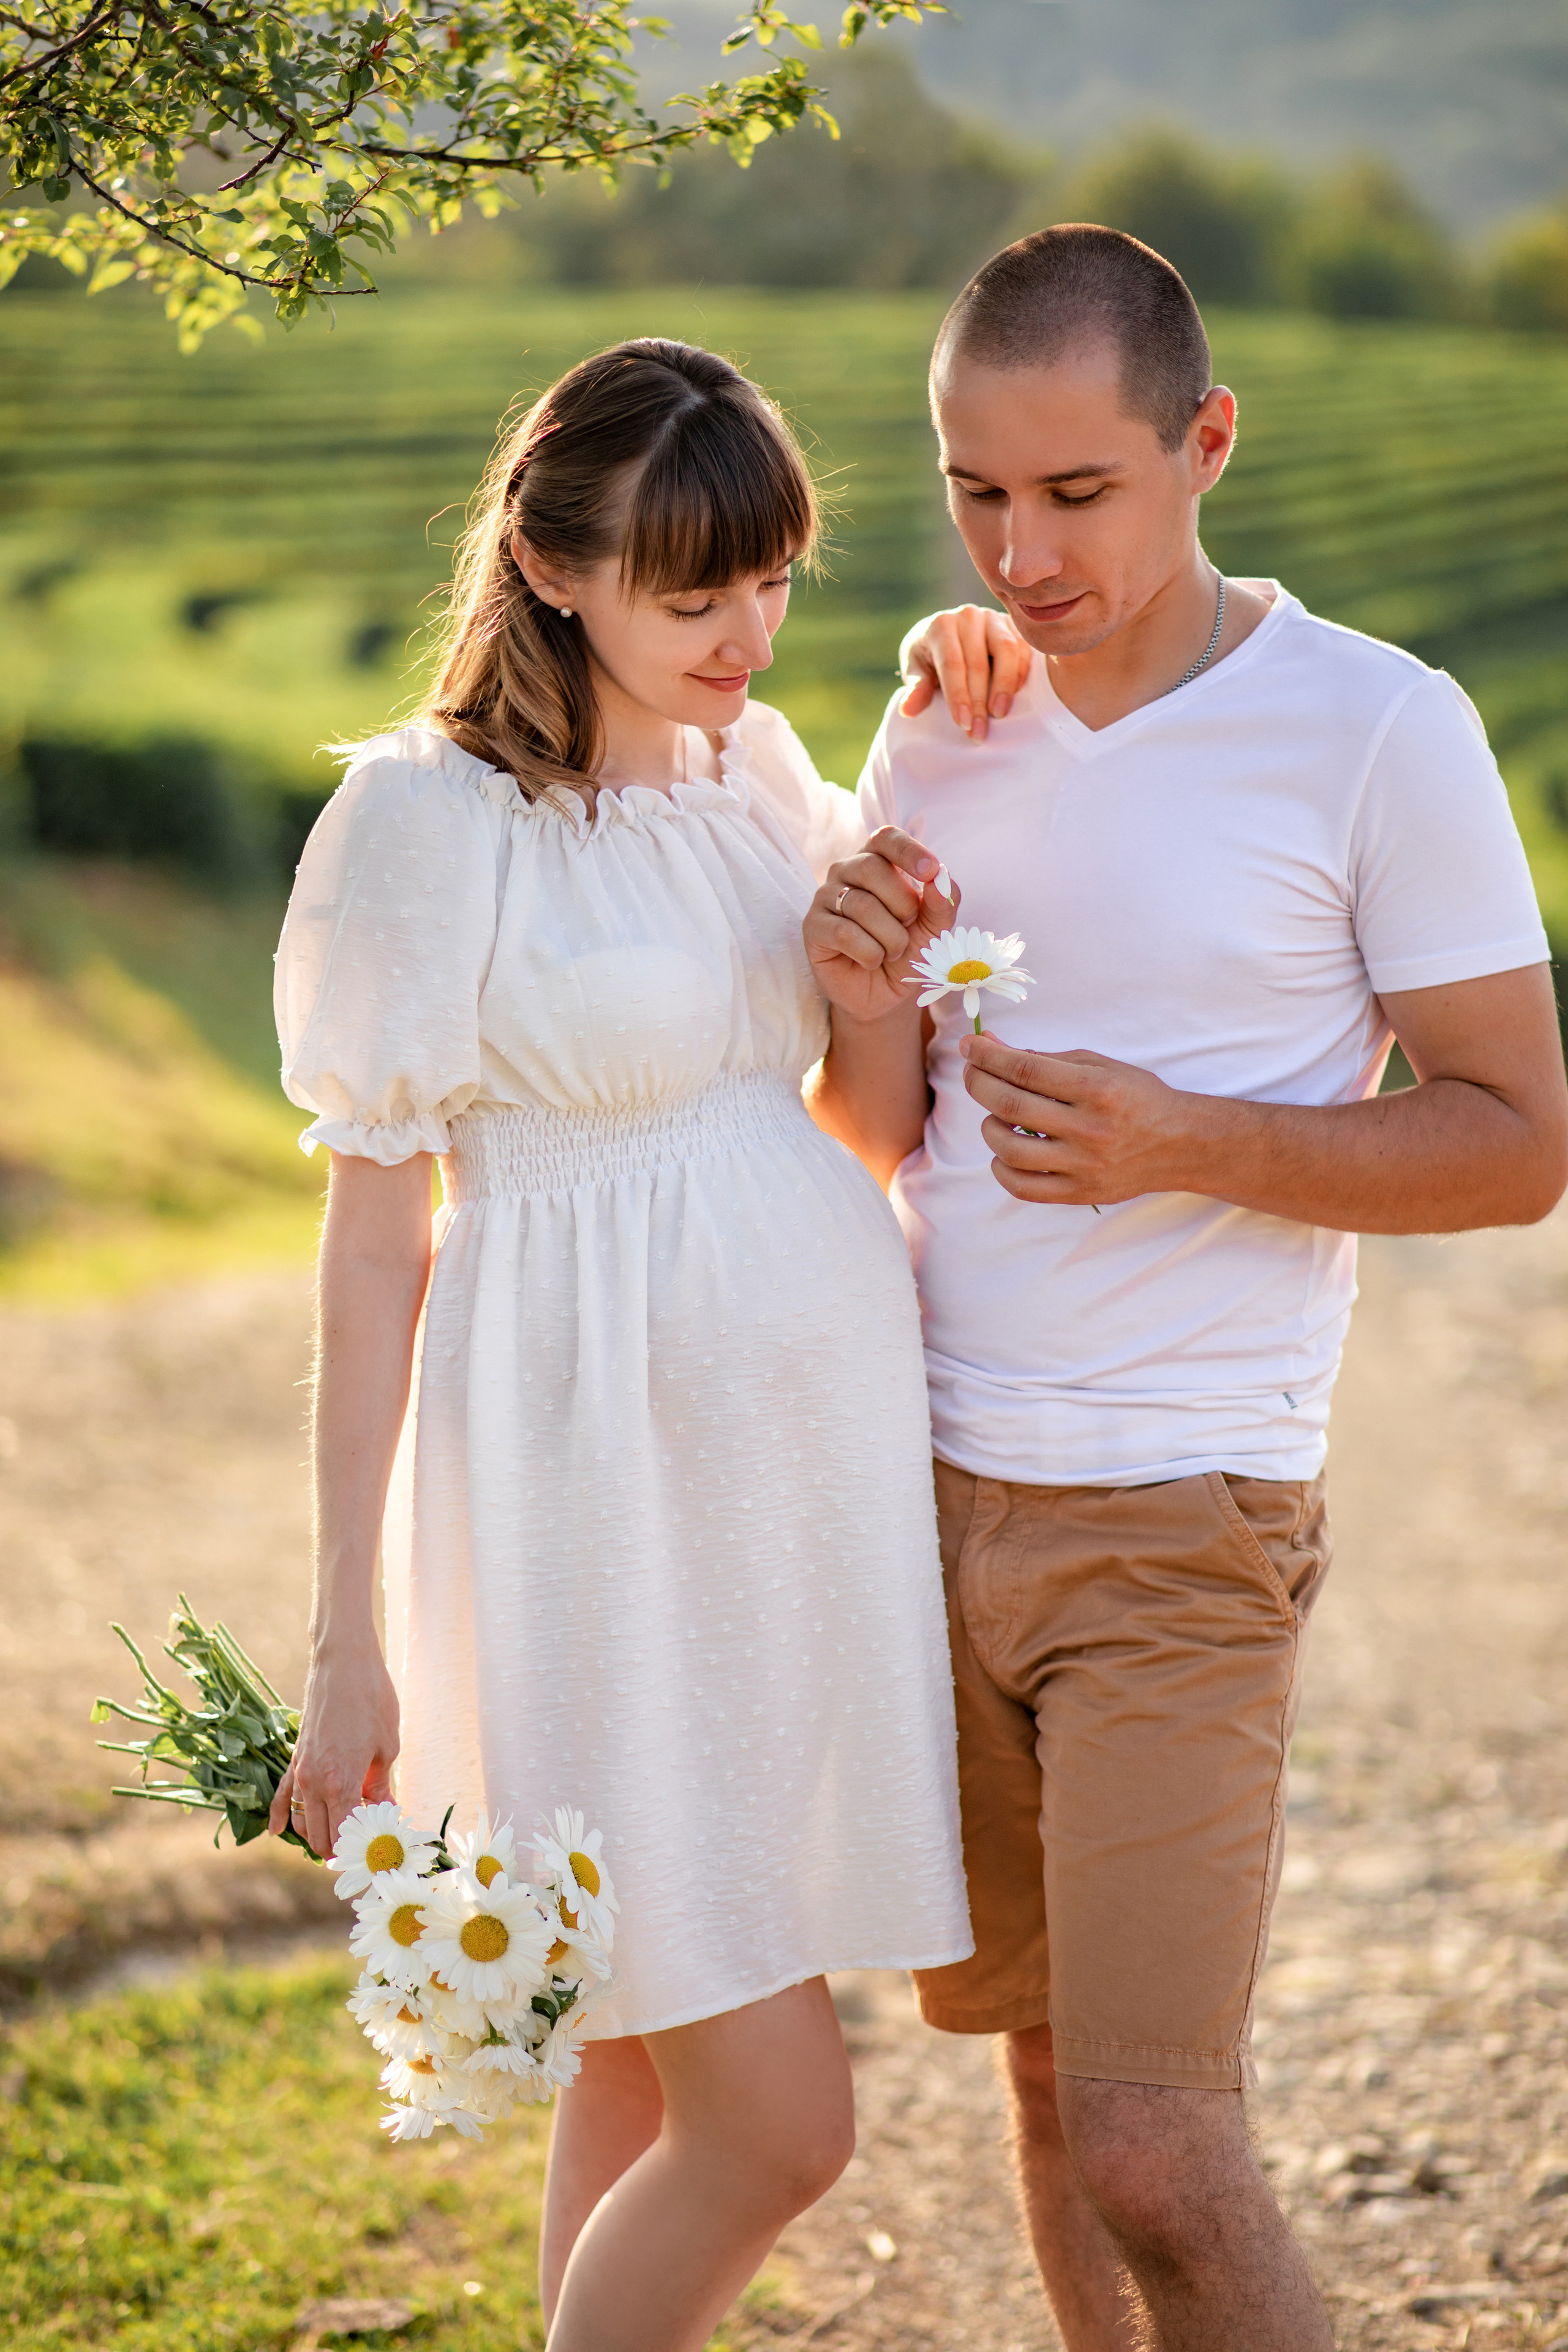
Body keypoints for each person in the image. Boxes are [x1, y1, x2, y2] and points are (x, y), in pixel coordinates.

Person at [804, 225, 1568, 2352]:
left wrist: (1192, 1142)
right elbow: (871, 1130)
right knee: (1047, 2094)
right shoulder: (935, 729)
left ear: (1205, 441)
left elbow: (1520, 1142)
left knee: (1154, 2136)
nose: (1021, 551)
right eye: (976, 492)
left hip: (1184, 1523)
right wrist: (853, 985)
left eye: (1078, 493)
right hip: (925, 1500)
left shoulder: (1376, 731)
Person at [265, 337, 976, 2352]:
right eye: (697, 594)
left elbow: (858, 1128)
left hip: (784, 1489)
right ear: (555, 565)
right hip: (597, 1493)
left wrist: (865, 985)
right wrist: (346, 1627)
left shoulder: (753, 771)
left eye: (772, 580)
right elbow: (375, 1231)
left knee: (641, 2067)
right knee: (780, 2132)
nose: (748, 634)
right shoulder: (432, 822)